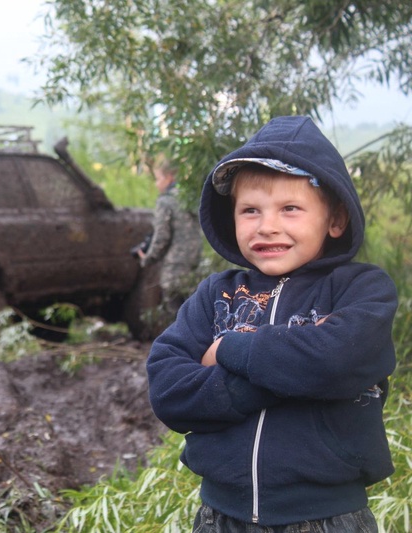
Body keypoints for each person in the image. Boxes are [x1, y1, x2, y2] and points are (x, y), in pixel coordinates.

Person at [146, 116, 397, 531]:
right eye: (250, 210)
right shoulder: (216, 293)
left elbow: (338, 361)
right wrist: (295, 372)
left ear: (335, 220)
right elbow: (168, 390)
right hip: (219, 517)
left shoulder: (363, 289)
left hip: (328, 517)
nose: (267, 226)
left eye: (290, 209)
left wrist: (229, 349)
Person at [135, 155, 203, 315]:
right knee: (192, 306)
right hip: (195, 259)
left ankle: (183, 339)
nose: (156, 183)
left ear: (169, 177)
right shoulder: (188, 197)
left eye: (158, 178)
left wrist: (147, 257)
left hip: (175, 264)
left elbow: (162, 236)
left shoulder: (165, 201)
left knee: (176, 310)